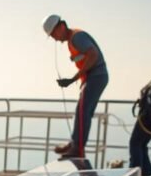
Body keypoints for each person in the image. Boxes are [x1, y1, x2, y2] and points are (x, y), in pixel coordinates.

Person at [43, 14, 108, 159]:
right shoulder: (72, 40)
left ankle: (77, 148)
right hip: (94, 77)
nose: (54, 38)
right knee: (81, 110)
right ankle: (75, 144)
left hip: (96, 76)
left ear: (61, 27)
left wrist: (73, 79)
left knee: (83, 110)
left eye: (54, 34)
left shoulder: (76, 37)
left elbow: (93, 54)